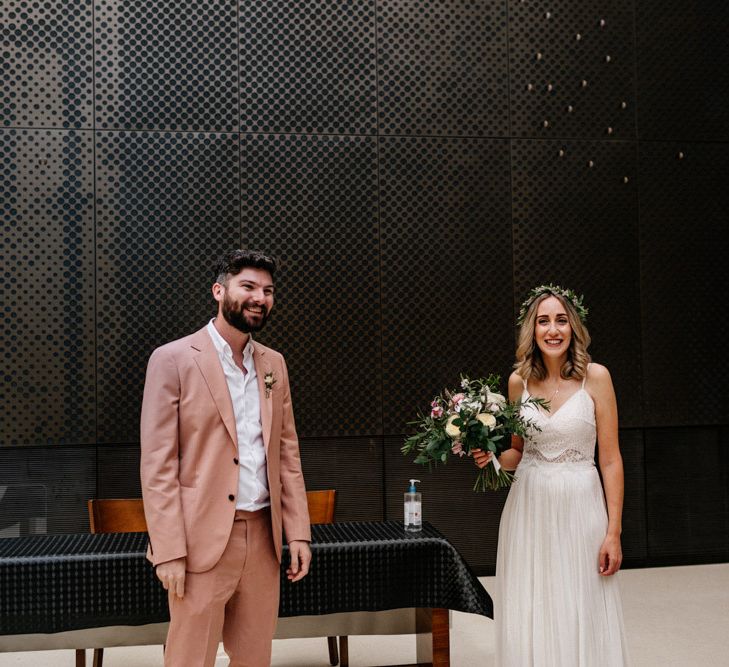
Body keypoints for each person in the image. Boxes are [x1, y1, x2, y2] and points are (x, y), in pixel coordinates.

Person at [140, 249, 311, 667]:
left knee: (254, 657)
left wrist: (299, 533)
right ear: (219, 291)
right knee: (190, 658)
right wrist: (169, 551)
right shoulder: (173, 359)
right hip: (200, 540)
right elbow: (158, 465)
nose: (260, 297)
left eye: (268, 291)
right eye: (248, 286)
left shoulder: (275, 364)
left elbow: (287, 454)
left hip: (264, 539)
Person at [474, 284, 630, 666]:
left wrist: (613, 531)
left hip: (580, 507)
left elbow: (610, 460)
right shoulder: (518, 383)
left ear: (573, 326)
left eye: (561, 320)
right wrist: (491, 455)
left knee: (581, 601)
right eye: (543, 321)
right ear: (532, 330)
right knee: (534, 601)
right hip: (529, 507)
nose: (553, 329)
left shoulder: (597, 378)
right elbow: (518, 452)